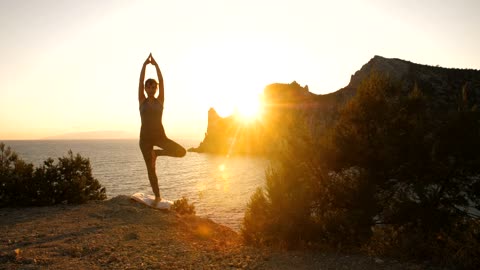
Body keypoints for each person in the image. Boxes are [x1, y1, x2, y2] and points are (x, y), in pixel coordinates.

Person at [138, 53, 186, 201]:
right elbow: (140, 81)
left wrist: (157, 66)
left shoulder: (160, 101)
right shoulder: (142, 101)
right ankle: (158, 197)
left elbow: (162, 81)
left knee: (181, 152)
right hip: (145, 140)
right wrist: (145, 65)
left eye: (154, 87)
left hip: (160, 137)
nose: (151, 89)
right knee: (151, 171)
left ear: (156, 89)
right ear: (145, 89)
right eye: (149, 87)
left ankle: (156, 154)